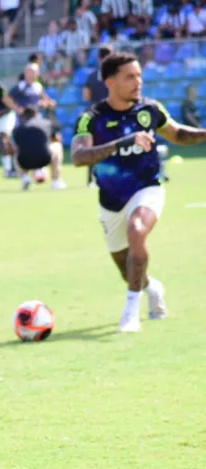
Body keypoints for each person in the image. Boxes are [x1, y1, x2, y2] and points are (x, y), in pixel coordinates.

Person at [71, 51, 206, 332]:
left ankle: (131, 312)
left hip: (148, 189)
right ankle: (152, 288)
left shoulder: (151, 110)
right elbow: (79, 156)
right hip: (110, 202)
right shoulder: (91, 118)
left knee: (137, 230)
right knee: (127, 268)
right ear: (109, 82)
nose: (138, 82)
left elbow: (178, 134)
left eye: (139, 76)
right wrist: (123, 142)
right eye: (129, 77)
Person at [12, 107, 66, 190]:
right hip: (45, 158)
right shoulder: (46, 123)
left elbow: (17, 146)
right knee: (57, 146)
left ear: (24, 116)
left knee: (17, 153)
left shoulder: (18, 129)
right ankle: (56, 180)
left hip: (24, 161)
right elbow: (57, 138)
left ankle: (25, 178)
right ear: (37, 114)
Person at [82, 46, 112, 187]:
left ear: (99, 58)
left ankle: (90, 179)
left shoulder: (92, 75)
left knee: (93, 146)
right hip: (113, 113)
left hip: (96, 114)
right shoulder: (116, 75)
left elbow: (85, 96)